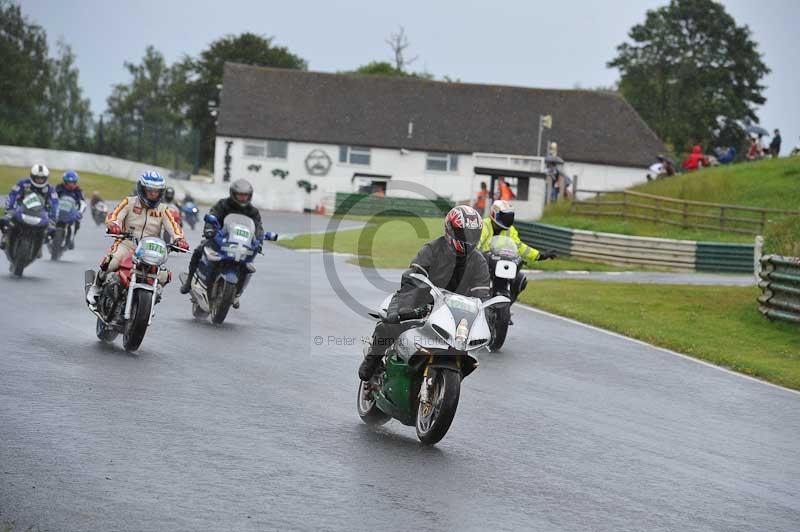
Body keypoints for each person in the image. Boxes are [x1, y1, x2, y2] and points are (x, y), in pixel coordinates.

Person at [358, 205, 491, 382]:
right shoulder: (432, 249)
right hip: (423, 301)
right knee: (389, 325)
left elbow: (482, 295)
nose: (468, 239)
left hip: (455, 311)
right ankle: (372, 364)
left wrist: (485, 317)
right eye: (463, 233)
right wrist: (407, 306)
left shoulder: (479, 261)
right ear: (450, 230)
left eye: (473, 234)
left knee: (466, 350)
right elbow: (413, 277)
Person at [86, 171, 188, 306]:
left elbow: (174, 227)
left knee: (164, 276)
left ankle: (154, 292)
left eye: (156, 191)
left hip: (151, 248)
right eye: (150, 190)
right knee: (111, 263)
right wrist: (113, 225)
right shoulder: (129, 202)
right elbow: (114, 216)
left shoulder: (164, 209)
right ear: (142, 189)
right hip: (127, 244)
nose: (153, 194)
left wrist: (179, 239)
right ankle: (96, 286)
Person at [180, 179, 263, 309]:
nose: (242, 198)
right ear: (233, 194)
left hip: (241, 244)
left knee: (248, 266)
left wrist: (259, 240)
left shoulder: (253, 211)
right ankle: (189, 281)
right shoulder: (223, 204)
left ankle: (236, 293)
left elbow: (258, 228)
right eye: (240, 195)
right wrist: (209, 229)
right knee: (199, 249)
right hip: (220, 239)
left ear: (249, 196)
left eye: (245, 195)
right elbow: (212, 215)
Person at [478, 200, 556, 265]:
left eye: (509, 216)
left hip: (502, 265)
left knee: (520, 278)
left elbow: (519, 247)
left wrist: (539, 255)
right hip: (481, 265)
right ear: (494, 214)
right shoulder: (483, 226)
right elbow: (475, 245)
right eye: (505, 216)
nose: (508, 219)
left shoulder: (510, 230)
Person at [0, 164, 58, 251]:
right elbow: (12, 194)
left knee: (52, 230)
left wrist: (53, 218)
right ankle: (5, 236)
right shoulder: (23, 183)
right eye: (37, 178)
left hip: (41, 213)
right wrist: (9, 209)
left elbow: (55, 203)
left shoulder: (50, 189)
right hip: (21, 209)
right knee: (4, 220)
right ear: (32, 176)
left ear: (46, 178)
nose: (39, 180)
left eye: (42, 178)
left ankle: (40, 243)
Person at [55, 171, 86, 249]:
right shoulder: (59, 188)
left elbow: (82, 203)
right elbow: (53, 198)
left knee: (77, 222)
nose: (71, 185)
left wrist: (80, 212)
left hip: (71, 211)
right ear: (65, 182)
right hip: (58, 210)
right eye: (69, 182)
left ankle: (71, 239)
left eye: (73, 182)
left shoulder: (78, 191)